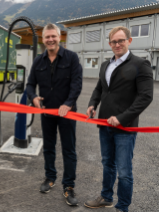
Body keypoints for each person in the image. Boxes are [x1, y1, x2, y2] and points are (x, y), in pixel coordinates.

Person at [84, 26, 153, 212]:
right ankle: (106, 197)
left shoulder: (140, 64)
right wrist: (92, 104)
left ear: (129, 41)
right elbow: (99, 88)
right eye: (113, 41)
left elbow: (145, 97)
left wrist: (122, 118)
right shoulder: (106, 65)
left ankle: (122, 207)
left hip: (125, 128)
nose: (117, 44)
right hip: (104, 125)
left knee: (124, 171)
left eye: (121, 40)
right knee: (107, 164)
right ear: (109, 44)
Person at [26, 23, 82, 206]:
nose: (50, 40)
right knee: (49, 148)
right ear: (43, 40)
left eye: (53, 36)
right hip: (47, 113)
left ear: (60, 37)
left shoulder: (71, 58)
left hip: (68, 114)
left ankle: (69, 186)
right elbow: (29, 85)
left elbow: (76, 84)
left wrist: (68, 103)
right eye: (47, 37)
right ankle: (50, 178)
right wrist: (33, 97)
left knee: (69, 150)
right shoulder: (38, 61)